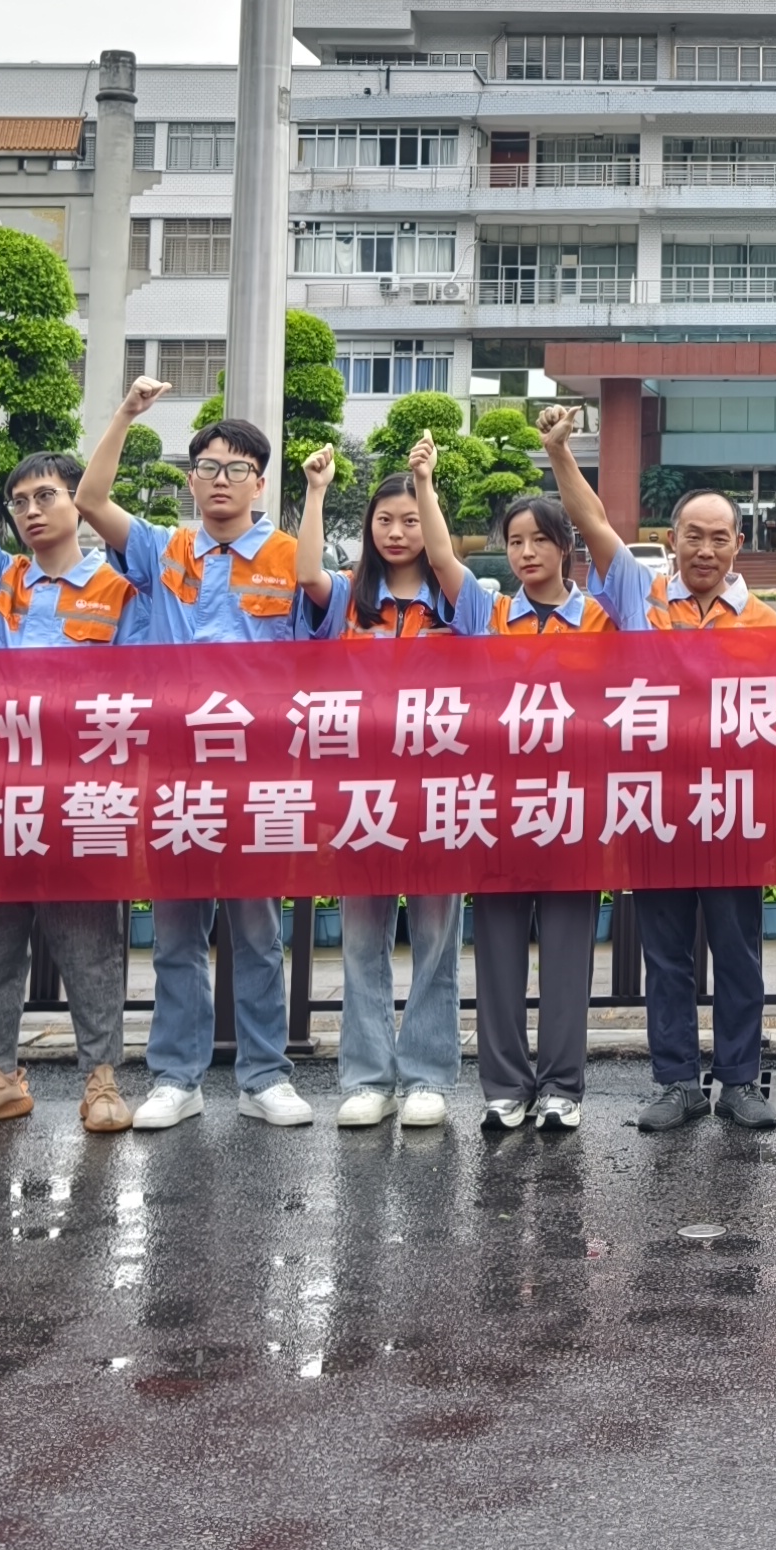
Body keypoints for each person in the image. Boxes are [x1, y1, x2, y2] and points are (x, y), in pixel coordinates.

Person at [77, 382, 327, 1134]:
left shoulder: (289, 555)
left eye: (236, 467)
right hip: (176, 767)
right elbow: (90, 500)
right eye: (208, 466)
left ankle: (264, 1077)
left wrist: (315, 496)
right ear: (191, 479)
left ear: (260, 481)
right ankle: (176, 1078)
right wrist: (124, 414)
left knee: (256, 928)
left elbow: (320, 607)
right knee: (178, 930)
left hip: (256, 771)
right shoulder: (165, 548)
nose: (221, 478)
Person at [0, 362, 139, 1136]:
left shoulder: (120, 592)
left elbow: (143, 697)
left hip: (83, 791)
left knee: (90, 942)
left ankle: (101, 1080)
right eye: (19, 502)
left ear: (77, 505)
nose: (29, 511)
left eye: (45, 496)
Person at [471, 412, 660, 1139]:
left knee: (568, 951)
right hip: (498, 804)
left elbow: (605, 533)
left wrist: (558, 454)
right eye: (513, 542)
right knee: (494, 949)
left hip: (575, 805)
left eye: (539, 540)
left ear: (564, 548)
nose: (524, 553)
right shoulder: (488, 617)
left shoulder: (607, 614)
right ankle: (503, 1086)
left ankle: (560, 1086)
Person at [582, 457, 776, 1136]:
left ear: (737, 546)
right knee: (665, 957)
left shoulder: (767, 626)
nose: (705, 549)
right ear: (671, 539)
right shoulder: (640, 600)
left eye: (719, 537)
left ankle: (740, 1081)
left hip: (731, 813)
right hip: (655, 810)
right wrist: (556, 455)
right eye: (694, 535)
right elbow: (592, 524)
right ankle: (675, 1083)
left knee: (739, 952)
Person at [323, 437, 488, 1134]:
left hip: (438, 796)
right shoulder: (344, 602)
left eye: (411, 519)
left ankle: (425, 1076)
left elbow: (447, 560)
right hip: (362, 796)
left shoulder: (461, 600)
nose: (398, 532)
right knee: (361, 942)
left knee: (434, 942)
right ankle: (366, 1077)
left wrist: (425, 480)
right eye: (385, 520)